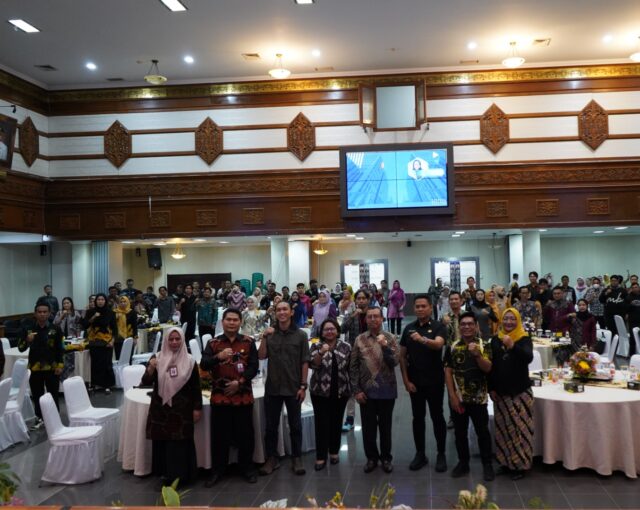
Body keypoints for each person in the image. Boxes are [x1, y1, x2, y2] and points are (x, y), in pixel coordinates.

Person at [201, 309, 259, 486]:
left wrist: (239, 383)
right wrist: (218, 357)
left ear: (240, 322)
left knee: (246, 435)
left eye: (235, 320)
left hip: (243, 396)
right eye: (228, 319)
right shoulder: (213, 343)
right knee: (220, 437)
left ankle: (247, 468)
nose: (232, 323)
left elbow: (254, 367)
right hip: (220, 398)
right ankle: (218, 470)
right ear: (223, 322)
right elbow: (204, 364)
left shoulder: (249, 342)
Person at [142, 327, 202, 487]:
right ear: (166, 340)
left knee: (180, 445)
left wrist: (197, 408)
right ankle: (165, 476)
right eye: (171, 339)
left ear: (182, 340)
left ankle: (183, 476)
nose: (174, 342)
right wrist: (151, 368)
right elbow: (145, 382)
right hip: (161, 410)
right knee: (163, 444)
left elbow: (196, 387)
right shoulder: (157, 358)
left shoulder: (190, 361)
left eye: (177, 339)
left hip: (182, 411)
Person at [258, 301, 310, 476]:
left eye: (284, 309)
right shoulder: (270, 334)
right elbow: (261, 356)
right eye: (278, 310)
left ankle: (297, 457)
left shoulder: (301, 335)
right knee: (271, 426)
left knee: (295, 425)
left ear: (291, 312)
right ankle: (272, 458)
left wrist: (303, 386)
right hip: (273, 386)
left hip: (293, 387)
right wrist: (264, 337)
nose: (281, 312)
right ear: (275, 313)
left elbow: (305, 361)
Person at [399, 295, 448, 473]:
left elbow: (439, 344)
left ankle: (441, 453)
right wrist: (406, 381)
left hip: (435, 381)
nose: (420, 309)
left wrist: (422, 339)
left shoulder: (438, 326)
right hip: (415, 382)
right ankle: (420, 454)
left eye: (423, 306)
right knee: (417, 418)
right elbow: (402, 356)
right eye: (417, 306)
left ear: (430, 307)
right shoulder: (409, 328)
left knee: (437, 417)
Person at [444, 311, 494, 481]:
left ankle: (487, 464)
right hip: (459, 399)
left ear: (476, 326)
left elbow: (488, 368)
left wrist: (477, 355)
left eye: (470, 324)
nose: (466, 327)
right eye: (463, 324)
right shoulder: (453, 346)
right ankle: (463, 463)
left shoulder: (484, 345)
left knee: (483, 432)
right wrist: (452, 396)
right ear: (459, 327)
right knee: (460, 433)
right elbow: (448, 371)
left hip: (479, 399)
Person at [350, 306, 400, 473]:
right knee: (368, 428)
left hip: (387, 390)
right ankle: (371, 458)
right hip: (366, 392)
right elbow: (353, 366)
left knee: (385, 427)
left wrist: (385, 346)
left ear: (382, 319)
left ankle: (386, 458)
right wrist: (356, 390)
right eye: (369, 316)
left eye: (376, 316)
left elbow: (394, 362)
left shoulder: (391, 338)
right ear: (365, 320)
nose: (373, 319)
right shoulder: (359, 339)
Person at [489, 308, 534, 481]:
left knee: (519, 430)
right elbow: (492, 366)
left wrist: (513, 346)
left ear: (518, 321)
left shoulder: (523, 338)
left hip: (520, 391)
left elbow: (528, 358)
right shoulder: (495, 339)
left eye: (512, 319)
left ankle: (520, 465)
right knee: (503, 430)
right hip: (501, 392)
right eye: (506, 318)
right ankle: (505, 462)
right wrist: (491, 388)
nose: (509, 322)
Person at [309, 318, 351, 470]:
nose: (329, 332)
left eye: (332, 329)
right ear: (322, 332)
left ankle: (334, 452)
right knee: (321, 423)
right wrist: (321, 352)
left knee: (336, 421)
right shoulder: (316, 345)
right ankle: (321, 456)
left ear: (337, 331)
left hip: (341, 391)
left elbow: (350, 368)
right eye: (326, 329)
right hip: (319, 392)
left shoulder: (346, 346)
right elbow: (313, 365)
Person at [18, 302, 64, 426]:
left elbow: (60, 348)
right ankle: (39, 418)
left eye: (45, 312)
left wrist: (60, 365)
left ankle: (54, 418)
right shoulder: (28, 329)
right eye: (39, 312)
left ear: (49, 313)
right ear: (35, 313)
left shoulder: (56, 329)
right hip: (35, 367)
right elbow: (21, 348)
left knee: (53, 394)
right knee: (37, 394)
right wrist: (27, 340)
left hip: (52, 367)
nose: (42, 314)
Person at [340, 289, 370, 431]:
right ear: (355, 300)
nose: (361, 301)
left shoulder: (373, 314)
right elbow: (342, 329)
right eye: (359, 298)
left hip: (370, 354)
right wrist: (353, 316)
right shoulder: (351, 314)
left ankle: (369, 417)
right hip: (353, 354)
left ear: (368, 300)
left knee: (369, 385)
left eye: (364, 298)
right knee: (352, 386)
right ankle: (350, 418)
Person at [84, 293, 117, 393]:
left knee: (107, 364)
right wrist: (93, 317)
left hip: (107, 341)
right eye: (98, 299)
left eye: (102, 299)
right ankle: (95, 384)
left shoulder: (110, 312)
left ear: (105, 301)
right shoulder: (90, 312)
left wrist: (112, 341)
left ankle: (107, 385)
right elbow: (85, 325)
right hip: (94, 341)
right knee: (95, 364)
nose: (100, 301)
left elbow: (115, 328)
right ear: (95, 301)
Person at [114, 295, 138, 360]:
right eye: (121, 302)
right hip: (118, 338)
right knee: (119, 358)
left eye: (124, 301)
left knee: (129, 357)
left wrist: (135, 338)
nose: (123, 303)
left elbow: (135, 326)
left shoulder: (132, 312)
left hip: (129, 337)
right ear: (118, 303)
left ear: (128, 302)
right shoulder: (115, 312)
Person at [626, 282, 640, 356]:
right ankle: (632, 354)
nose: (635, 289)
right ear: (631, 288)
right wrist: (630, 304)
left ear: (639, 288)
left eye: (636, 287)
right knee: (632, 338)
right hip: (633, 320)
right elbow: (625, 308)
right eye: (633, 287)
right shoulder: (628, 297)